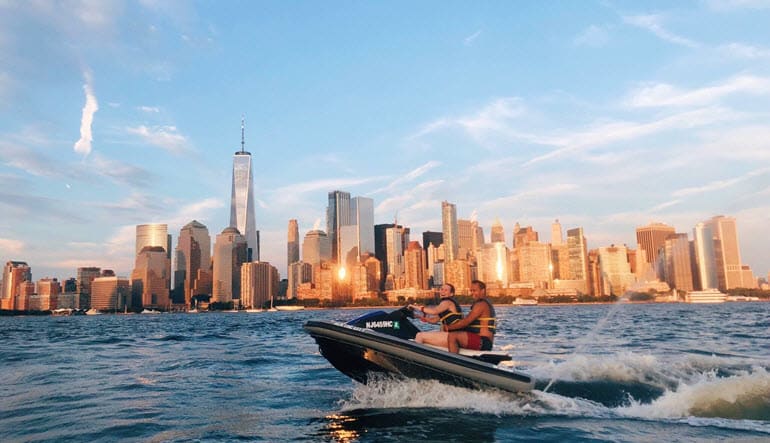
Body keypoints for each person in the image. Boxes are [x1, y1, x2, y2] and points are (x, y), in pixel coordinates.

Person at [445, 280, 496, 352]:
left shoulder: (481, 304)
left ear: (482, 291)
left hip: (484, 342)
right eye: (471, 291)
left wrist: (448, 327)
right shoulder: (482, 303)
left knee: (453, 336)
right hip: (480, 340)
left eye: (474, 290)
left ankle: (453, 361)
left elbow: (465, 322)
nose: (472, 293)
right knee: (455, 332)